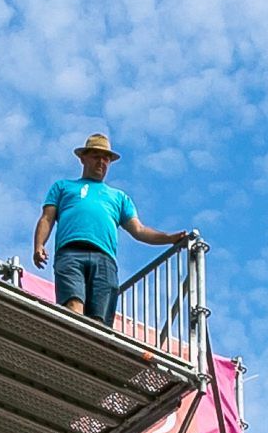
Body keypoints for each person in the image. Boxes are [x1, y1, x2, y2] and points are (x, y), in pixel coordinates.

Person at [32, 133, 194, 327]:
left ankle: (89, 354)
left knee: (99, 320)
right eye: (96, 156)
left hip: (105, 259)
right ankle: (72, 344)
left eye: (106, 158)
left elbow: (139, 230)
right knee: (73, 304)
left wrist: (169, 238)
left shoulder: (119, 197)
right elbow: (47, 217)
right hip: (71, 253)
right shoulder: (63, 187)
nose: (101, 162)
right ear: (83, 158)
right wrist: (39, 245)